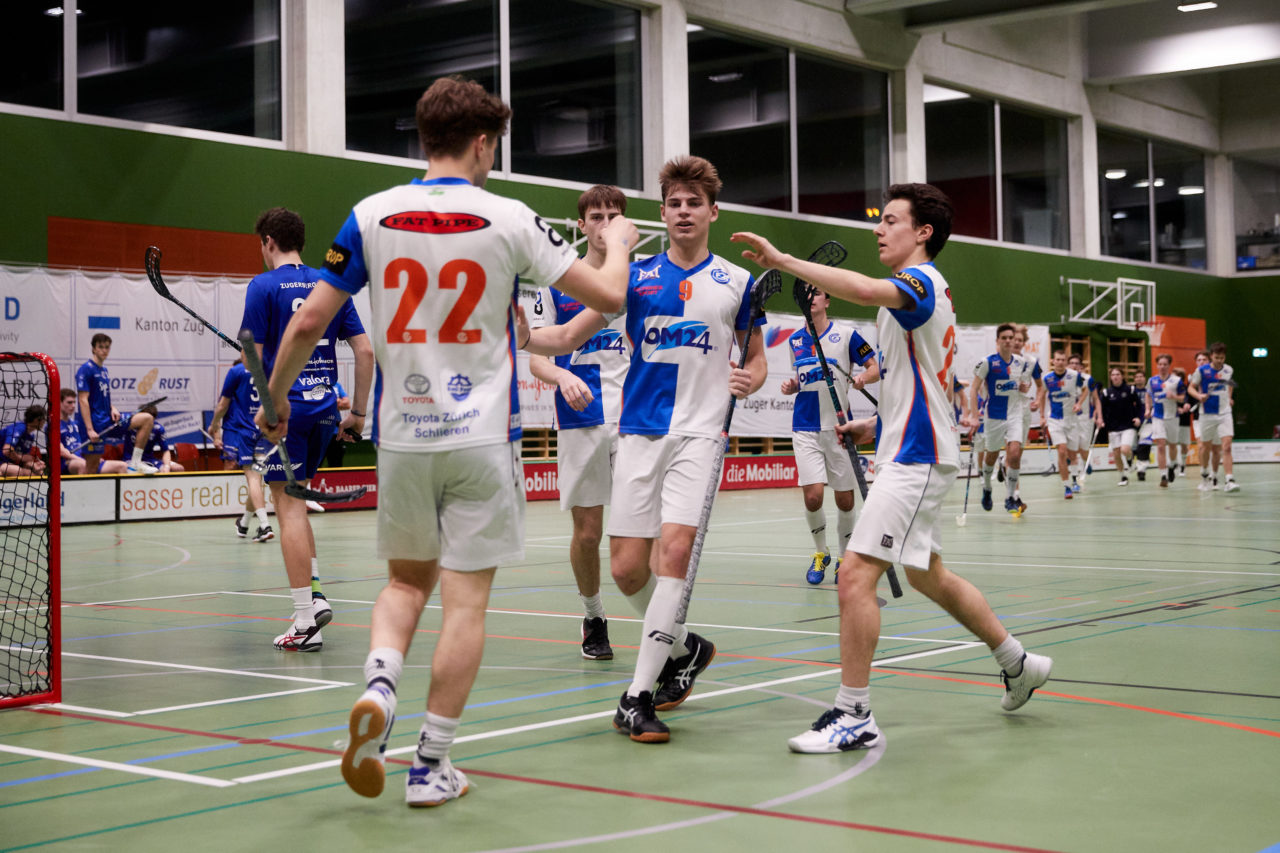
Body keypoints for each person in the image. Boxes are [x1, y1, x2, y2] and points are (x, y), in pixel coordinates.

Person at [258, 76, 636, 807]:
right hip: (482, 443)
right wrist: (617, 244)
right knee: (464, 603)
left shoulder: (369, 214)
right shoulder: (509, 215)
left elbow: (308, 321)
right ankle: (431, 764)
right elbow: (608, 295)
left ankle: (378, 683)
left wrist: (274, 398)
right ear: (483, 142)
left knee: (405, 583)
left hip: (403, 440)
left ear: (422, 137)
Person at [731, 183, 1052, 754]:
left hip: (918, 459)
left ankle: (855, 713)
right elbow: (921, 384)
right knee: (931, 575)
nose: (878, 229)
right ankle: (1018, 662)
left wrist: (782, 259)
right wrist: (874, 427)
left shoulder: (919, 282)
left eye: (891, 221)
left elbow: (858, 286)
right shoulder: (912, 298)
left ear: (923, 233)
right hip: (911, 447)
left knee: (854, 574)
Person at [522, 155, 767, 745]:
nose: (684, 212)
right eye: (675, 204)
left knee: (673, 555)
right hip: (637, 432)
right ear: (663, 214)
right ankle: (686, 651)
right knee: (628, 570)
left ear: (712, 211)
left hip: (700, 437)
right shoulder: (631, 280)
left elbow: (756, 358)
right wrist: (501, 332)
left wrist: (751, 379)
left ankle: (636, 696)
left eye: (694, 203)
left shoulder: (737, 283)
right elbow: (561, 338)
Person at [241, 206, 376, 652]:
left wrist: (269, 401)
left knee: (289, 509)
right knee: (296, 502)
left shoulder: (262, 286)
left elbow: (253, 357)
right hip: (324, 413)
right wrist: (357, 413)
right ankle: (313, 597)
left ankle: (303, 617)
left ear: (268, 243)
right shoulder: (328, 284)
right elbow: (364, 351)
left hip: (289, 414)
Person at [526, 185, 632, 659]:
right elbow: (537, 357)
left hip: (638, 415)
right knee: (589, 532)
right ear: (581, 224)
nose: (604, 223)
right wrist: (562, 373)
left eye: (613, 215)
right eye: (596, 215)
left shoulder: (643, 278)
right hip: (581, 417)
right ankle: (593, 616)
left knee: (642, 529)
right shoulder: (559, 283)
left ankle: (661, 622)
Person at [782, 286, 878, 583]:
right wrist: (794, 386)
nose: (812, 298)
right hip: (805, 426)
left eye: (818, 293)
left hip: (840, 428)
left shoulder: (847, 335)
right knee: (813, 496)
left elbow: (874, 366)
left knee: (846, 501)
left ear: (827, 300)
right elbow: (803, 379)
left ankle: (844, 557)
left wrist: (863, 377)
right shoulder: (795, 340)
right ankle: (820, 553)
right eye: (807, 295)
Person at [208, 353, 272, 541]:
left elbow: (222, 405)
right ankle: (244, 524)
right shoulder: (269, 369)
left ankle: (265, 525)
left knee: (253, 479)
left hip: (244, 433)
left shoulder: (236, 371)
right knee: (257, 481)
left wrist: (213, 425)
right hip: (263, 431)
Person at [970, 323, 1032, 516]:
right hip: (993, 417)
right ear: (998, 341)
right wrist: (974, 417)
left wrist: (1024, 388)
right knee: (991, 456)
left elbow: (1022, 386)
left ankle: (1010, 498)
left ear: (1014, 341)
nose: (1007, 341)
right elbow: (973, 389)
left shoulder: (1021, 363)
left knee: (1014, 454)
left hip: (1015, 415)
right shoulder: (987, 362)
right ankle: (987, 487)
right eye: (1003, 338)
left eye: (1010, 338)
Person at [75, 333, 158, 474]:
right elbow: (83, 400)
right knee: (92, 468)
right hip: (95, 425)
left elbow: (102, 396)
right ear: (93, 349)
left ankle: (135, 463)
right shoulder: (86, 369)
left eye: (107, 347)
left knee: (147, 419)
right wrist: (89, 429)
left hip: (109, 419)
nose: (104, 350)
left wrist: (113, 408)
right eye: (100, 347)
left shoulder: (104, 371)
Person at [1189, 341, 1238, 492]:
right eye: (1217, 358)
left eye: (1222, 358)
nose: (1219, 361)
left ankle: (1229, 480)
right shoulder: (1202, 371)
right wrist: (1199, 395)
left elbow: (1229, 384)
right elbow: (1191, 388)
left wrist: (1229, 397)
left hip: (1224, 413)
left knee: (1227, 445)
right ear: (1211, 356)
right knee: (1204, 447)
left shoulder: (1228, 369)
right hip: (1207, 414)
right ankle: (1204, 475)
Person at [1040, 350, 1086, 500]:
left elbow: (1086, 389)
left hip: (1071, 421)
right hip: (1055, 420)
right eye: (1057, 360)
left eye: (1062, 360)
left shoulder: (1074, 375)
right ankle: (1067, 486)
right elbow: (1041, 396)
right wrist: (1041, 416)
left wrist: (1079, 403)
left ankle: (1074, 480)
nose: (1060, 362)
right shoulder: (1047, 378)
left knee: (1073, 454)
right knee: (1062, 451)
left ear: (1066, 362)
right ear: (1053, 361)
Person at [1009, 324, 1043, 504]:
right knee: (1011, 453)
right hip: (1002, 410)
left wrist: (1037, 400)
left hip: (1022, 410)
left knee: (1016, 456)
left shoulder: (1031, 362)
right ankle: (1013, 496)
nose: (1016, 342)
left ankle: (1014, 494)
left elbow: (1040, 386)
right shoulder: (998, 360)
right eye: (1014, 339)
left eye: (1020, 340)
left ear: (1024, 342)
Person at [1144, 354, 1184, 489]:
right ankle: (1163, 475)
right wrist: (1148, 409)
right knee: (1161, 445)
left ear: (1169, 365)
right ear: (1157, 365)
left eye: (1165, 364)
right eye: (1160, 364)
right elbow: (1148, 395)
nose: (1162, 366)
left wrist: (1174, 396)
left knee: (1172, 445)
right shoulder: (1152, 380)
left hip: (1172, 417)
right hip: (1158, 417)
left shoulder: (1176, 381)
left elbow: (1183, 398)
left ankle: (1172, 465)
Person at [1097, 367, 1142, 485]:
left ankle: (1130, 459)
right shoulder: (1107, 392)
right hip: (1113, 427)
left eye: (1118, 374)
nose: (1115, 377)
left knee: (1125, 449)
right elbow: (1101, 408)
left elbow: (1139, 406)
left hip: (1128, 425)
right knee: (1116, 454)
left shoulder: (1130, 390)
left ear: (1122, 376)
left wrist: (1138, 418)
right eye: (1113, 375)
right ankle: (1123, 477)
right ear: (1110, 377)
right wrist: (1100, 419)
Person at [1066, 354, 1102, 492]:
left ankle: (1087, 461)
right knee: (1073, 449)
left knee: (1083, 448)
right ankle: (1076, 479)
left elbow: (1096, 399)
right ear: (1068, 365)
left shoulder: (1089, 380)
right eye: (1071, 363)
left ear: (1081, 366)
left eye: (1077, 363)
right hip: (1070, 419)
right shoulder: (1065, 378)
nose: (1074, 365)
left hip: (1085, 419)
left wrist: (1099, 416)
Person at [122, 404, 183, 473]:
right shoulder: (129, 426)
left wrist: (166, 466)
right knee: (148, 472)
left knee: (178, 468)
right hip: (130, 460)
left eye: (151, 419)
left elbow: (165, 451)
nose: (149, 422)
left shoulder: (158, 429)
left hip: (150, 460)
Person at [1, 405, 48, 477]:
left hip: (8, 463)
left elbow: (24, 459)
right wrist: (21, 457)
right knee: (18, 471)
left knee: (40, 473)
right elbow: (7, 450)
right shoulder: (19, 428)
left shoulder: (30, 436)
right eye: (44, 419)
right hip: (2, 463)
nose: (44, 422)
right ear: (37, 420)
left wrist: (34, 465)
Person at [1131, 368, 1152, 481]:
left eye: (1141, 376)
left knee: (1144, 446)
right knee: (1132, 447)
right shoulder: (1130, 391)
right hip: (1132, 423)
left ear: (1145, 378)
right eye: (1137, 377)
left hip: (1147, 422)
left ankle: (1141, 470)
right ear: (1134, 379)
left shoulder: (1149, 391)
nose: (1139, 378)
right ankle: (1130, 462)